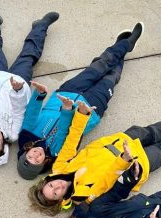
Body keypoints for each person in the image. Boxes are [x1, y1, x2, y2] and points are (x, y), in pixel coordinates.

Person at [28, 100, 161, 214]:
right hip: (135, 163)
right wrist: (124, 159)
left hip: (121, 140)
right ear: (60, 201)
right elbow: (108, 179)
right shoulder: (83, 197)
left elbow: (71, 142)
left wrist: (81, 116)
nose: (57, 188)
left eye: (51, 186)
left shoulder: (60, 167)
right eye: (55, 194)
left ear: (48, 180)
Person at [17, 23, 144, 180]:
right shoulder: (57, 152)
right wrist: (67, 110)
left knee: (99, 66)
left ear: (26, 152)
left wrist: (40, 94)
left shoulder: (27, 137)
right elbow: (64, 130)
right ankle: (121, 47)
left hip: (66, 93)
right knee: (111, 78)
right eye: (37, 161)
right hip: (89, 110)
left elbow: (31, 113)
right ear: (44, 163)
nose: (36, 155)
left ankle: (125, 44)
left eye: (30, 156)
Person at [0, 2, 60, 166]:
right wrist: (17, 91)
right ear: (4, 145)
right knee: (29, 55)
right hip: (17, 83)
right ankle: (40, 26)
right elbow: (19, 111)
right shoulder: (14, 134)